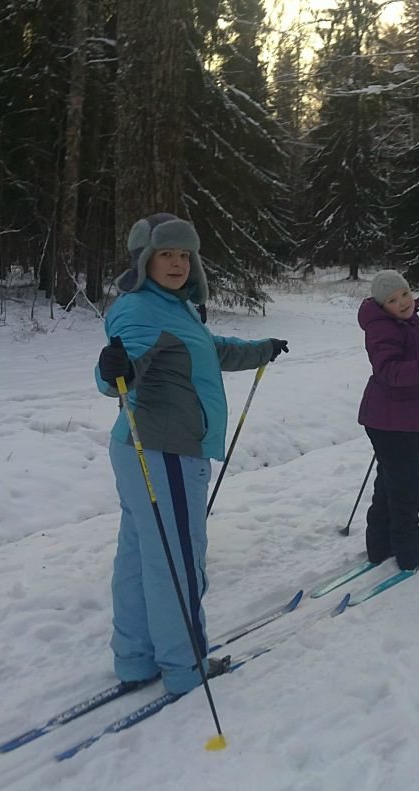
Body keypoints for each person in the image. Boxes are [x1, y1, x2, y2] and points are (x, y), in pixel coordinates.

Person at [95, 212, 288, 695]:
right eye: (166, 254)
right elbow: (120, 372)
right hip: (166, 450)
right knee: (178, 559)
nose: (178, 263)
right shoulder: (140, 309)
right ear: (144, 259)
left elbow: (207, 349)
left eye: (184, 254)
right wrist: (108, 370)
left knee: (142, 556)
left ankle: (136, 660)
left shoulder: (173, 306)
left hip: (148, 448)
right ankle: (185, 666)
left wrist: (259, 349)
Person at [357, 269, 419, 571]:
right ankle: (409, 553)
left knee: (391, 481)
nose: (403, 302)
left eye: (405, 294)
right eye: (394, 300)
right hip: (392, 419)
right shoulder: (382, 328)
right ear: (382, 305)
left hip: (400, 416)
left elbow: (409, 355)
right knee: (408, 487)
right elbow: (390, 371)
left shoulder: (406, 320)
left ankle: (380, 545)